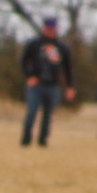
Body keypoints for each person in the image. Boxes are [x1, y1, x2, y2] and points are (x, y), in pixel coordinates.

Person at [20, 17, 75, 147]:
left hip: (53, 86)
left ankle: (42, 141)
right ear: (43, 28)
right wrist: (29, 76)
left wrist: (70, 87)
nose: (50, 31)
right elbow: (23, 61)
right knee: (32, 112)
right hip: (36, 85)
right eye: (48, 28)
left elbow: (68, 68)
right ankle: (26, 140)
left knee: (48, 115)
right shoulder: (34, 44)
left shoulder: (62, 47)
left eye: (52, 28)